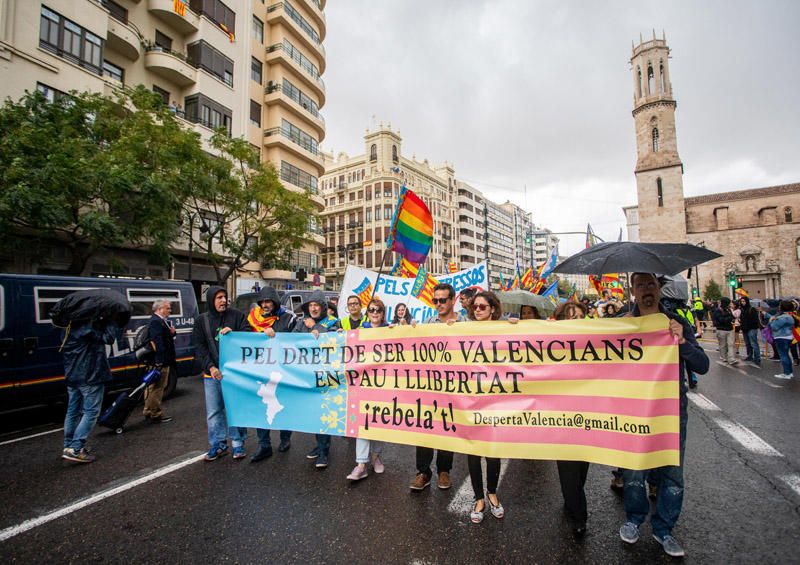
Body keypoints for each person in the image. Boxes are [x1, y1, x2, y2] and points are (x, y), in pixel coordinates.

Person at [619, 273, 709, 558]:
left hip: (670, 410)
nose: (646, 290)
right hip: (633, 410)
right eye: (640, 285)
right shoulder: (621, 324)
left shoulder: (677, 323)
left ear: (659, 290)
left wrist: (682, 341)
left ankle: (664, 528)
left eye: (651, 285)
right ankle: (634, 519)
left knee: (672, 474)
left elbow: (702, 365)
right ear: (632, 291)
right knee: (634, 472)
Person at [410, 283, 467, 492]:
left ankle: (444, 470)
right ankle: (423, 472)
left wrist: (511, 324)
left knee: (446, 427)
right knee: (425, 426)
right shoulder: (427, 322)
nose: (439, 304)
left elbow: (486, 336)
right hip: (429, 385)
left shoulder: (465, 322)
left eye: (443, 300)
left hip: (453, 386)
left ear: (453, 301)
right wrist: (407, 330)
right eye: (435, 300)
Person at [193, 286, 250, 462]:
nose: (223, 301)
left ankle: (238, 443)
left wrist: (236, 335)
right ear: (211, 300)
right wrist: (211, 367)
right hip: (212, 375)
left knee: (234, 408)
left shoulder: (237, 316)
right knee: (214, 411)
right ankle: (218, 444)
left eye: (224, 297)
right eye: (219, 298)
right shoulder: (202, 321)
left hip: (233, 375)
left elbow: (249, 336)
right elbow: (199, 347)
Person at [551, 300, 591, 535]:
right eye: (569, 317)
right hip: (559, 415)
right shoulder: (550, 341)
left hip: (587, 414)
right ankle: (579, 516)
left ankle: (571, 500)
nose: (575, 321)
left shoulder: (594, 340)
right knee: (567, 465)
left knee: (582, 466)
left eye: (579, 316)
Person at [467, 291, 506, 523]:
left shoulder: (505, 330)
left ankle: (492, 492)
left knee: (493, 450)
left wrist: (515, 327)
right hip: (471, 399)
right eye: (475, 307)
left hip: (496, 400)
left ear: (493, 309)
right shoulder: (464, 329)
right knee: (473, 450)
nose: (478, 310)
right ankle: (478, 497)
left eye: (482, 306)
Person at [248, 287, 296, 462]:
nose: (265, 305)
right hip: (261, 371)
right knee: (262, 407)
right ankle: (264, 445)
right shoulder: (253, 319)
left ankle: (285, 438)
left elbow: (297, 340)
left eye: (268, 301)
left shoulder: (289, 318)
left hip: (283, 371)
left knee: (282, 405)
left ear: (275, 302)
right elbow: (244, 337)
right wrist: (261, 333)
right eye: (262, 302)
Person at [61, 319, 121, 463]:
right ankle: (76, 448)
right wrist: (111, 321)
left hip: (72, 374)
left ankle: (68, 445)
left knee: (73, 411)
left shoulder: (67, 326)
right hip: (90, 375)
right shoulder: (87, 328)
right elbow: (109, 339)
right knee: (91, 412)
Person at [293, 290, 341, 468]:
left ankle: (323, 451)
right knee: (314, 413)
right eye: (311, 305)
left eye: (316, 305)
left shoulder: (333, 322)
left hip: (326, 374)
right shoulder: (301, 323)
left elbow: (336, 340)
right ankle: (320, 444)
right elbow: (291, 341)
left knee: (324, 412)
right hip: (307, 374)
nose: (313, 308)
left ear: (323, 307)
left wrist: (316, 327)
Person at [347, 298, 388, 481]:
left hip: (384, 383)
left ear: (382, 312)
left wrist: (407, 325)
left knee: (378, 422)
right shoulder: (359, 331)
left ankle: (375, 457)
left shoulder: (390, 330)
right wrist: (341, 335)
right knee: (363, 422)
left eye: (378, 310)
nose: (375, 313)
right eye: (371, 309)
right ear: (368, 312)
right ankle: (361, 463)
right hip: (363, 383)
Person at [143, 299, 175, 424]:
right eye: (167, 308)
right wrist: (160, 361)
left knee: (151, 387)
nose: (169, 310)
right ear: (160, 309)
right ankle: (155, 414)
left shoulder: (160, 321)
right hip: (160, 361)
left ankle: (148, 411)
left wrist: (172, 333)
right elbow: (158, 343)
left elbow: (165, 338)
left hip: (158, 360)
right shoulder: (156, 322)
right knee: (158, 388)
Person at [769, 301, 796, 380]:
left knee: (783, 355)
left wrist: (771, 320)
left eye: (780, 305)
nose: (779, 307)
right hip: (788, 337)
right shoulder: (790, 316)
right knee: (786, 355)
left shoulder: (783, 317)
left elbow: (774, 327)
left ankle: (786, 373)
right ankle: (789, 372)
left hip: (781, 337)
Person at [711, 297, 737, 365]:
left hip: (729, 329)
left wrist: (732, 317)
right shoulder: (718, 310)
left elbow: (731, 317)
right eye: (728, 303)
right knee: (723, 345)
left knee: (731, 344)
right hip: (721, 329)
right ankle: (724, 357)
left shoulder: (728, 310)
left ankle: (731, 359)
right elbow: (721, 320)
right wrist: (730, 318)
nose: (730, 304)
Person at [738, 296, 762, 367]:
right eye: (741, 301)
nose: (743, 303)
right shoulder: (741, 309)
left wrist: (747, 324)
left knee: (753, 343)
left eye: (744, 301)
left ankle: (757, 358)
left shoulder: (752, 309)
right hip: (745, 329)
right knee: (747, 343)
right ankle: (750, 356)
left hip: (752, 328)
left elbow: (755, 320)